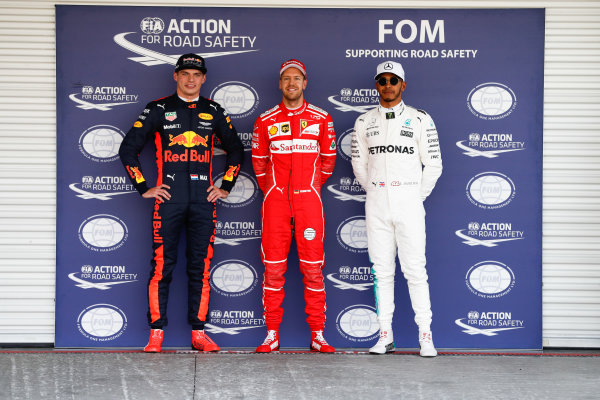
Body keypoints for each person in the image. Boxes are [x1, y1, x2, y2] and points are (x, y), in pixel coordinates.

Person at [119, 53, 244, 353]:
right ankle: (156, 333)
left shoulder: (213, 110)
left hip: (203, 201)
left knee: (200, 267)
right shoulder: (158, 108)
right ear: (176, 76)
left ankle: (199, 333)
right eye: (185, 73)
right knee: (163, 266)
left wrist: (224, 186)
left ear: (203, 78)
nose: (191, 79)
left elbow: (237, 152)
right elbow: (128, 150)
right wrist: (143, 187)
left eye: (196, 74)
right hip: (169, 200)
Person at [351, 61, 442, 357]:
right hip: (377, 201)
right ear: (376, 85)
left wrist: (414, 196)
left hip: (409, 202)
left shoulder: (420, 119)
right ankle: (385, 336)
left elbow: (434, 165)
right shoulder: (364, 122)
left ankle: (426, 336)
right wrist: (377, 190)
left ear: (403, 85)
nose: (387, 85)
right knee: (381, 272)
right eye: (382, 80)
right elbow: (359, 165)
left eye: (393, 80)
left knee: (415, 271)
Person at [251, 59, 337, 353]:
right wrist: (274, 191)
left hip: (308, 202)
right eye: (286, 78)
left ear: (305, 83)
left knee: (313, 269)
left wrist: (309, 188)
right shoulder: (265, 120)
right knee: (273, 269)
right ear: (280, 83)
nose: (291, 83)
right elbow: (259, 163)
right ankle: (271, 333)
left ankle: (318, 334)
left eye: (296, 78)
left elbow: (328, 162)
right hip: (275, 203)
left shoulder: (321, 118)